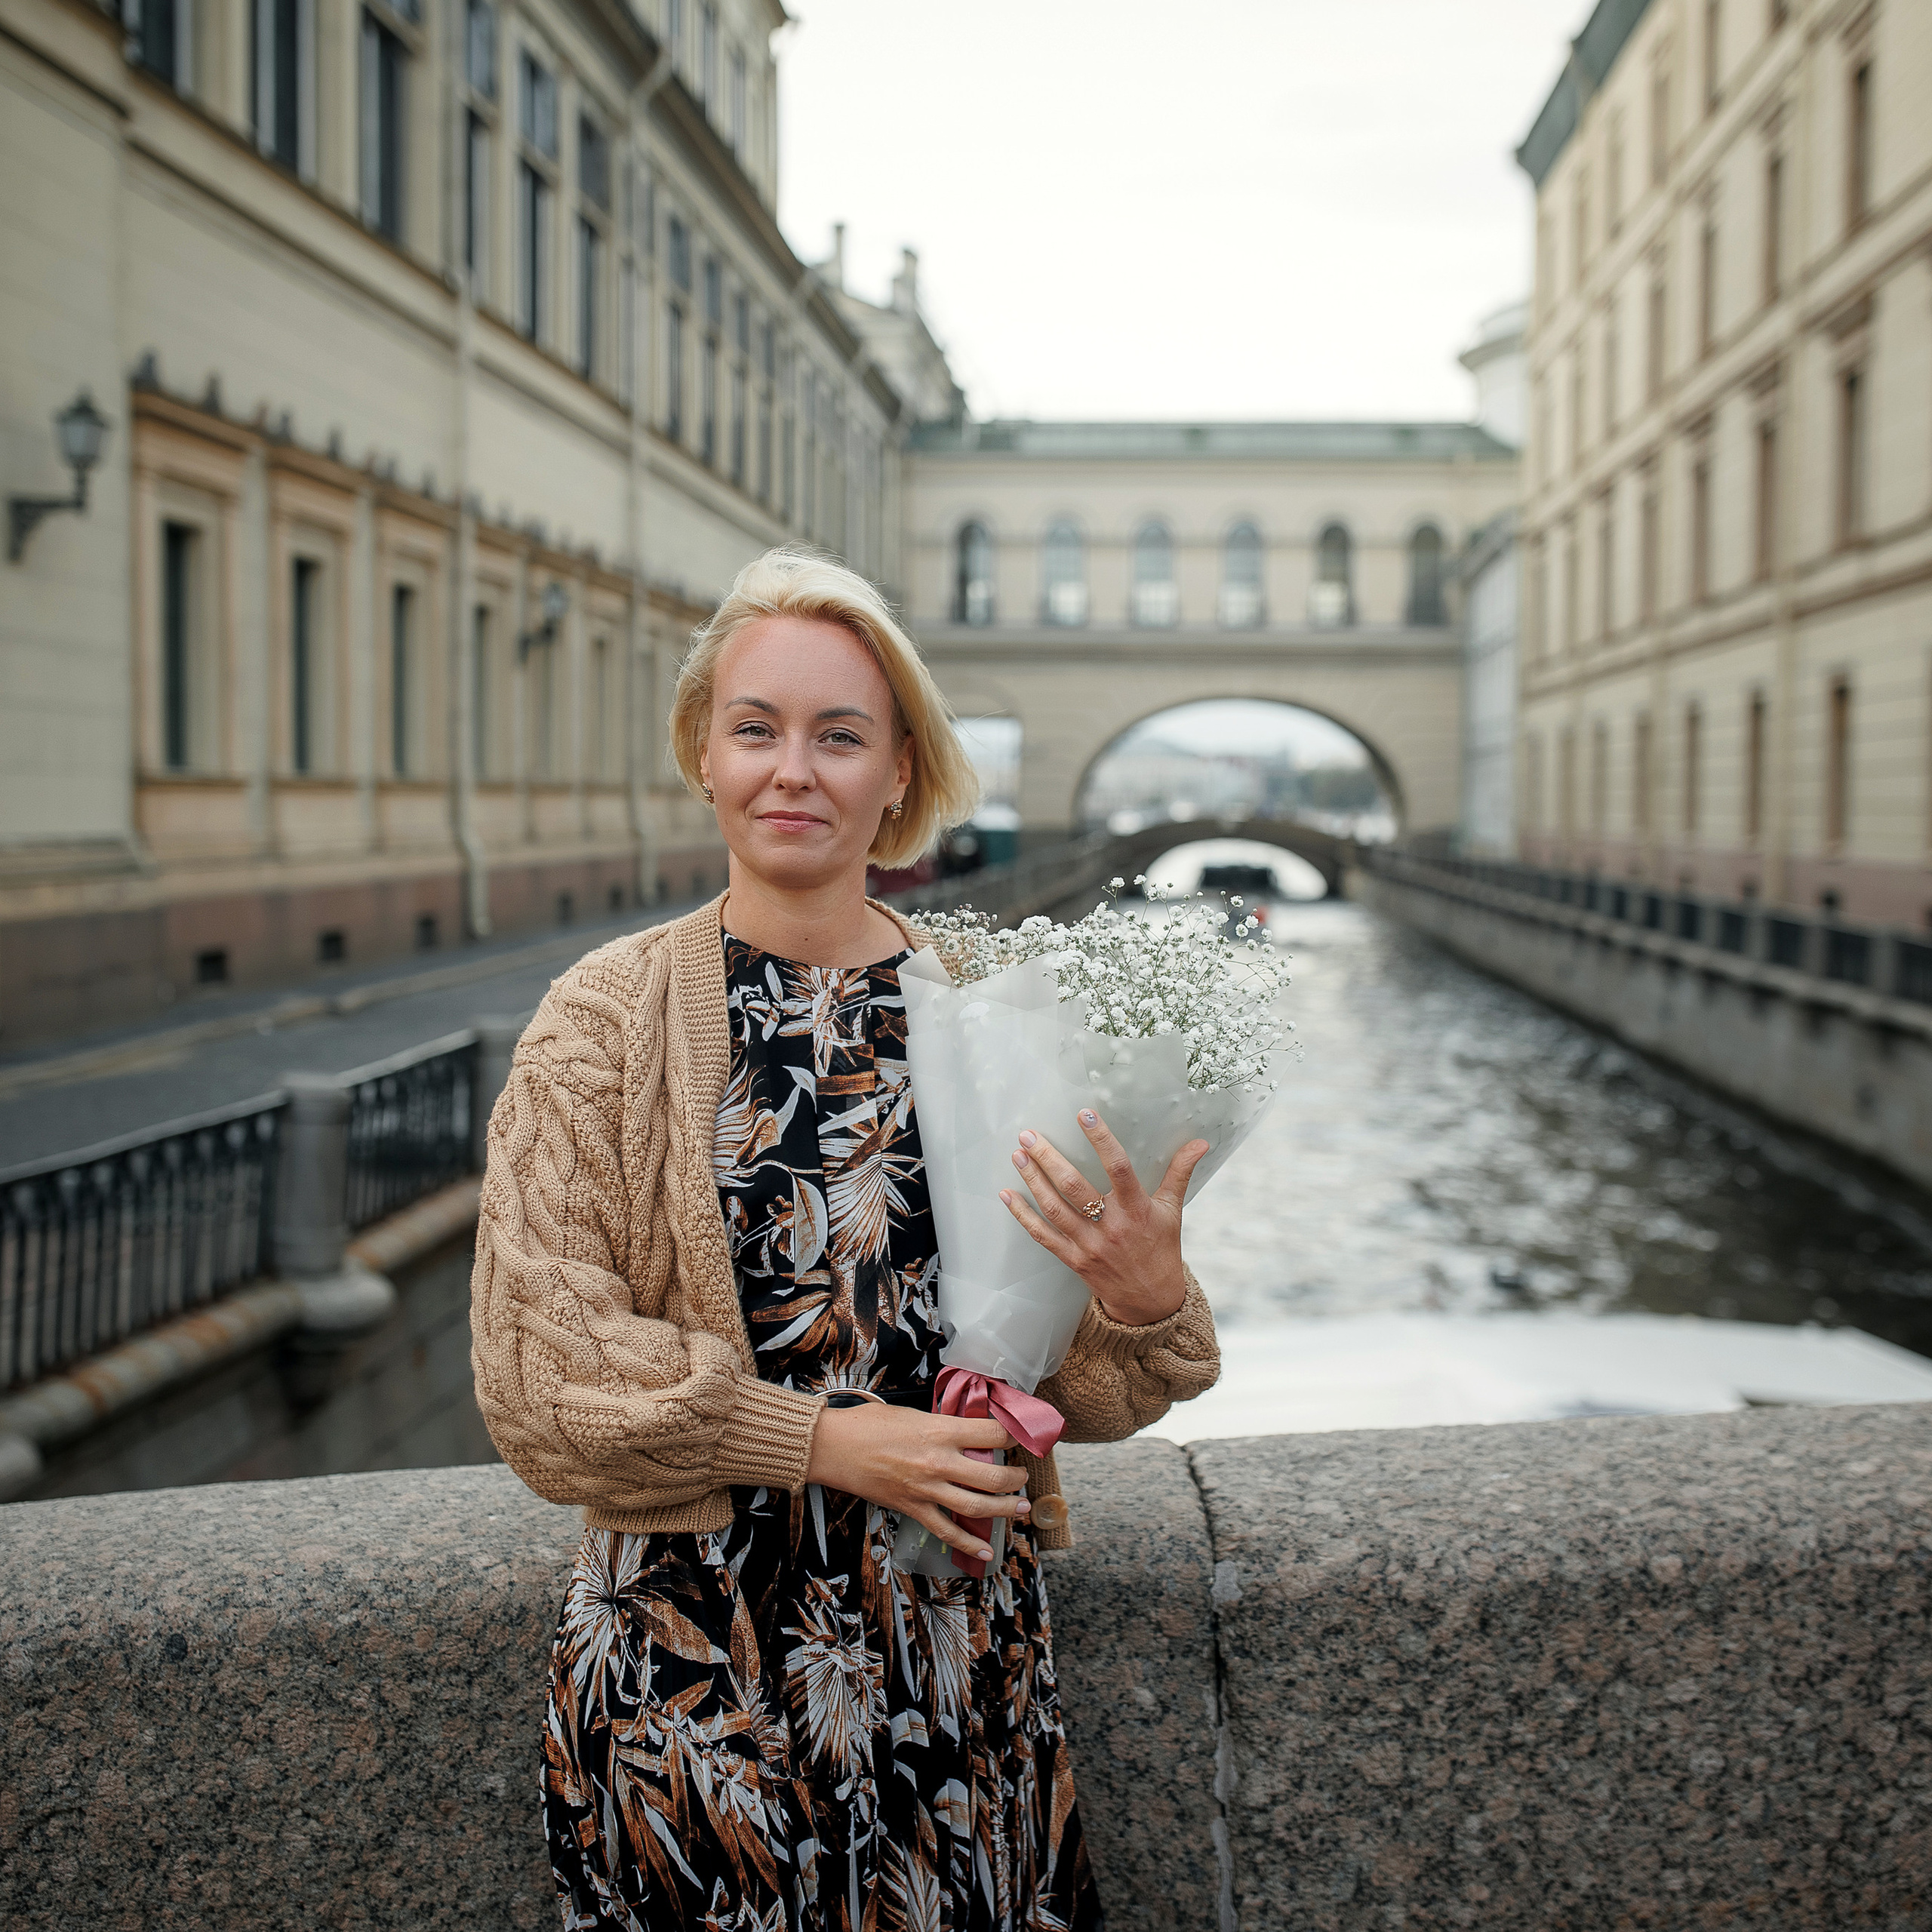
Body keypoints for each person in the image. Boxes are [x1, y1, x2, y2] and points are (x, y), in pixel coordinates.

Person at [471, 546, 1221, 1932]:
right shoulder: (603, 1017)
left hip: (959, 1672)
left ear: (901, 775)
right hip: (692, 1679)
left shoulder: (1000, 1005)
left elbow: (1082, 1397)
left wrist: (1140, 1300)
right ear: (703, 752)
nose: (792, 771)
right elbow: (541, 1382)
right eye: (755, 728)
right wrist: (823, 1443)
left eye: (840, 735)